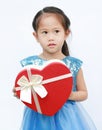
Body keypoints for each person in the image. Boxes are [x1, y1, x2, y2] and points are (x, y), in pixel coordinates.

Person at [13, 6, 97, 130]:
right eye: (45, 32)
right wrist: (21, 92)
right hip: (38, 118)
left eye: (56, 31)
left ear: (66, 33)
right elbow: (27, 90)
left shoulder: (73, 64)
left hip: (67, 118)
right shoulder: (31, 64)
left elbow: (84, 93)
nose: (51, 37)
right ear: (36, 36)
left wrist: (67, 94)